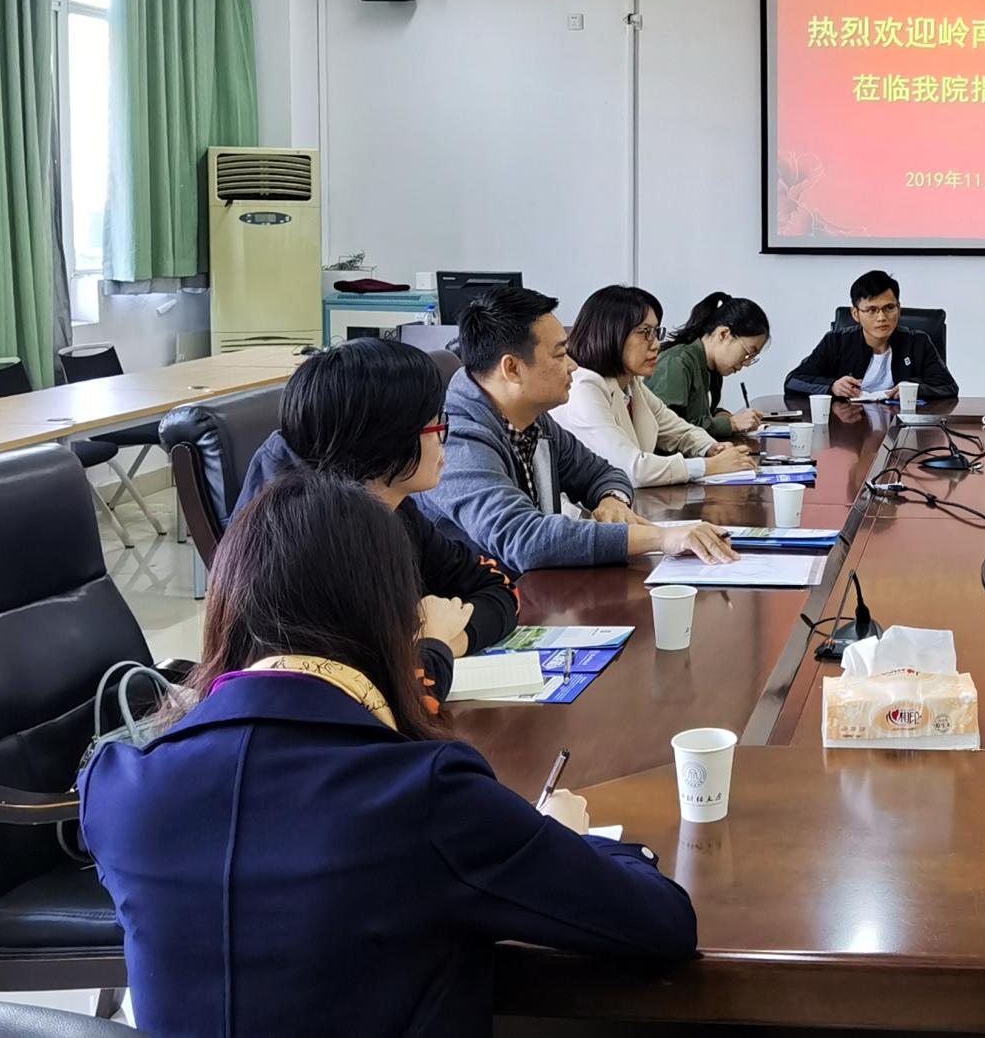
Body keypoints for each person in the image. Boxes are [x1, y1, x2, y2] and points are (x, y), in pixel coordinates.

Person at [80, 470, 697, 1037]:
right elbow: (661, 924)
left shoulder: (117, 788)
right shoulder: (424, 794)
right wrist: (562, 836)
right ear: (391, 615)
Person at [236, 338, 520, 712]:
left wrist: (448, 639)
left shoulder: (391, 506)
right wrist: (433, 640)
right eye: (435, 424)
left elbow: (499, 589)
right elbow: (376, 706)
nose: (443, 438)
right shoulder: (304, 549)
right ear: (387, 438)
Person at [416, 285, 735, 571]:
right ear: (512, 368)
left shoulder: (534, 420)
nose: (572, 365)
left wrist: (612, 500)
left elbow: (603, 473)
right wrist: (661, 538)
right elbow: (524, 539)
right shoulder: (455, 441)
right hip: (477, 606)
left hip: (535, 589)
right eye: (560, 354)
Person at [552, 285, 756, 487]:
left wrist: (711, 447)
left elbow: (678, 430)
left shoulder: (631, 384)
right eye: (646, 332)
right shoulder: (583, 388)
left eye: (656, 332)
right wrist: (708, 466)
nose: (656, 344)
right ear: (611, 332)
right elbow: (630, 470)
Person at [784, 270, 957, 400]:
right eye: (872, 310)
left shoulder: (918, 342)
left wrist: (915, 388)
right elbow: (794, 380)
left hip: (902, 426)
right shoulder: (836, 342)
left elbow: (948, 386)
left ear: (899, 309)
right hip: (848, 426)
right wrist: (832, 386)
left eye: (889, 308)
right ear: (855, 314)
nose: (881, 317)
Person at [651, 291, 772, 438]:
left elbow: (700, 413)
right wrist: (731, 424)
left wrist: (721, 415)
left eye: (753, 357)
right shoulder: (677, 362)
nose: (747, 363)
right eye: (748, 353)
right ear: (724, 334)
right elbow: (668, 429)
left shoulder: (712, 369)